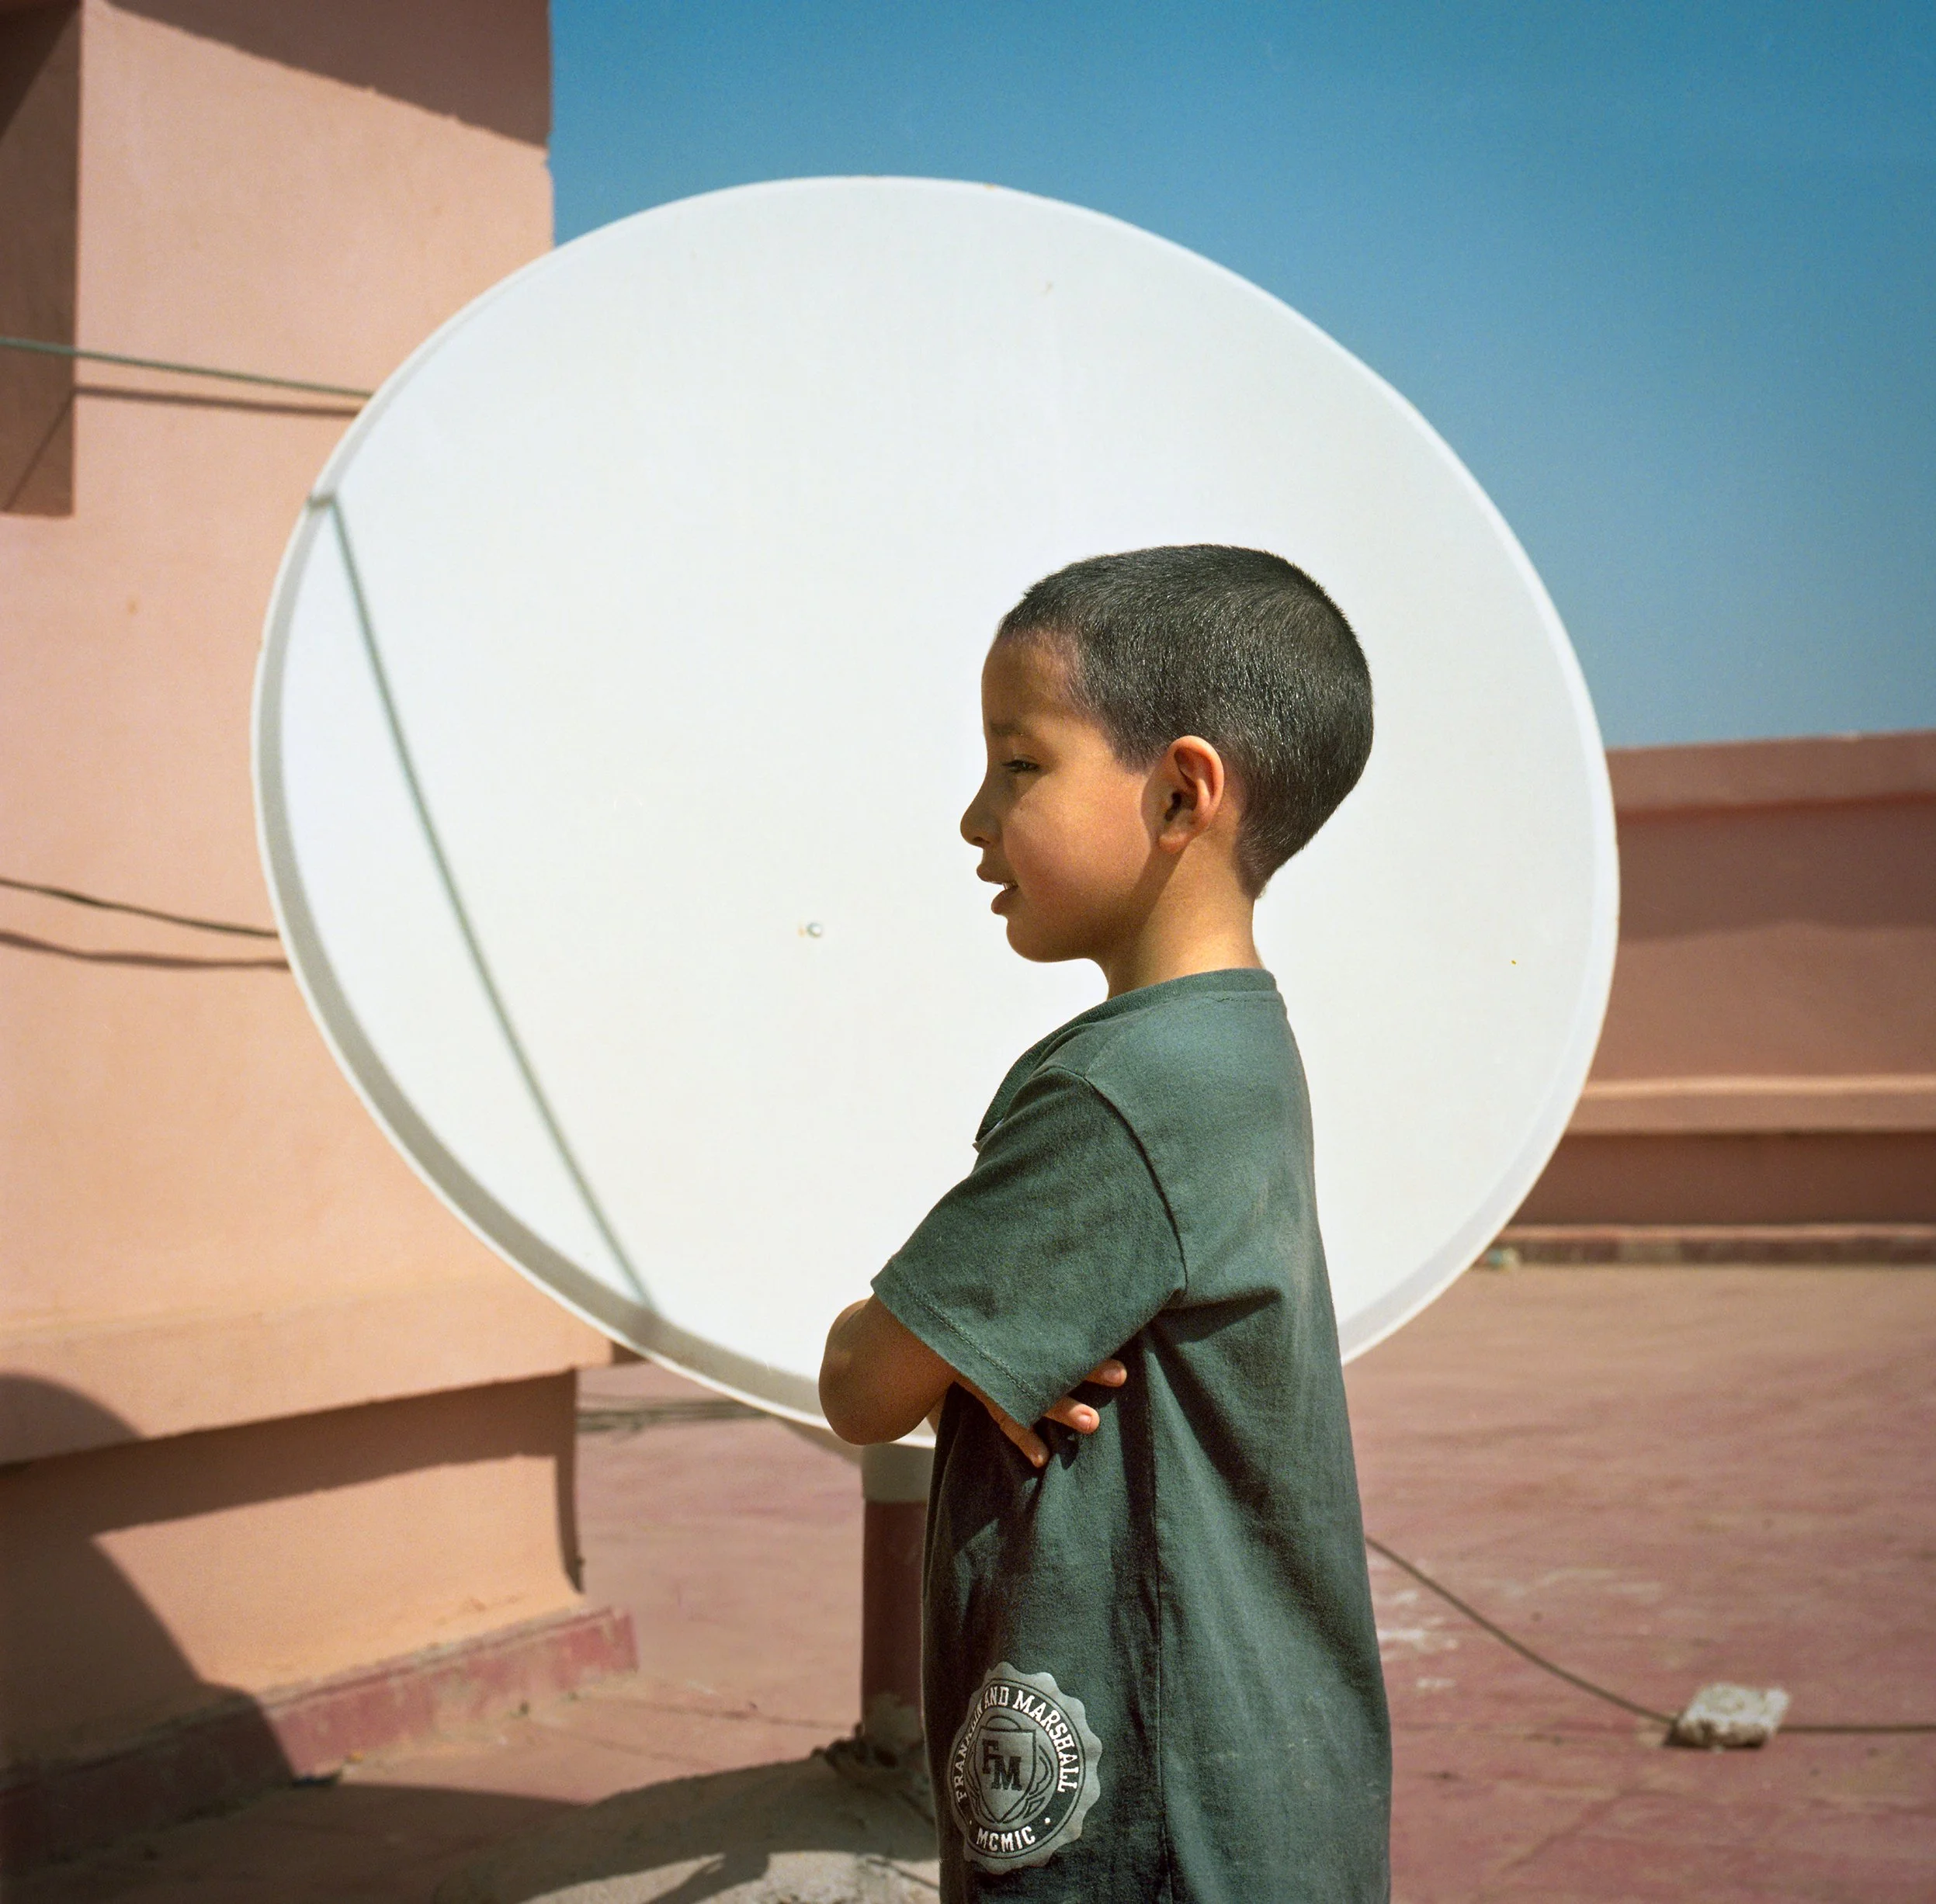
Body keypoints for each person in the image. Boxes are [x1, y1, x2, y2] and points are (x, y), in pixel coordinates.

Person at [818, 545, 1390, 1901]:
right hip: (1258, 1790)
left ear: (1183, 789)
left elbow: (859, 1383)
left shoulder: (1122, 1089)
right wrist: (991, 1349)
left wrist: (941, 1351)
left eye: (1018, 766)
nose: (973, 817)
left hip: (1148, 1818)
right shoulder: (1238, 1047)